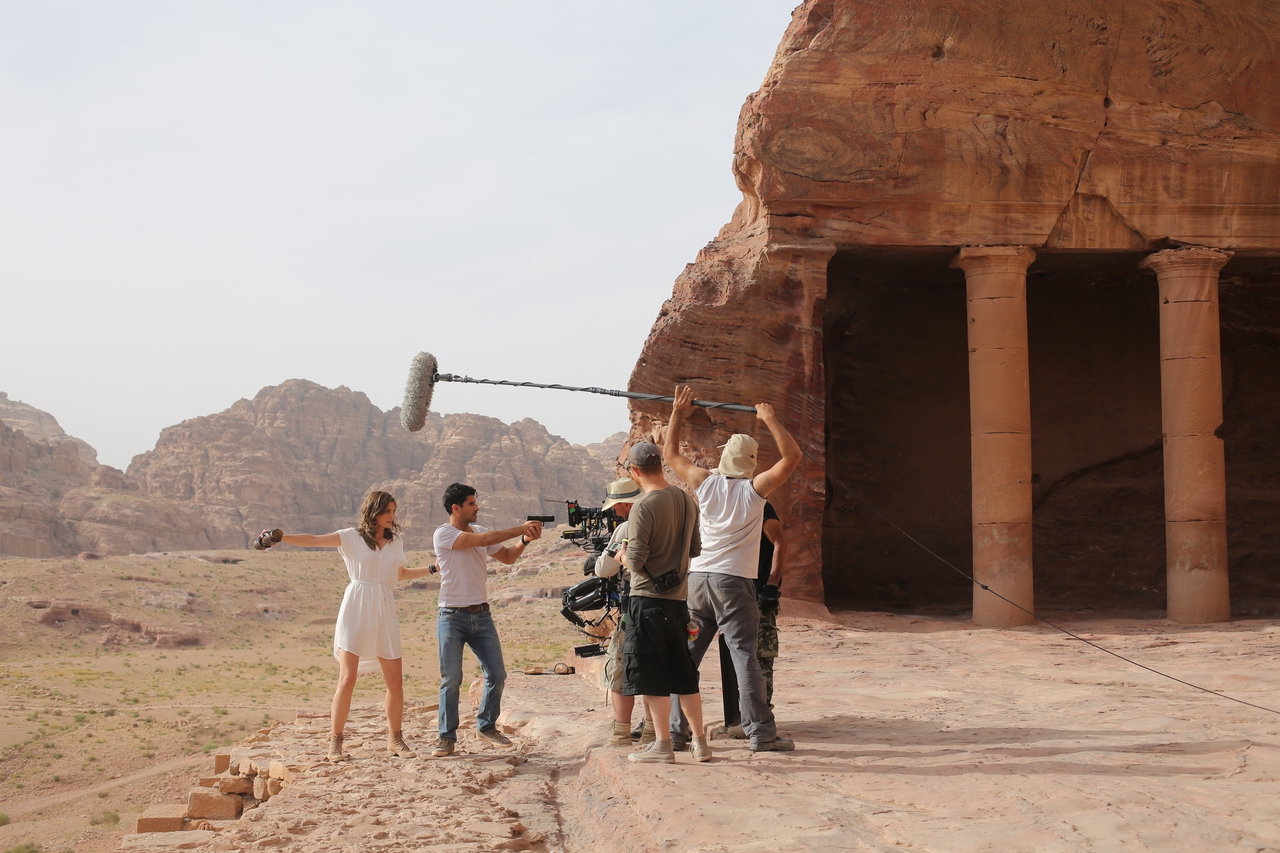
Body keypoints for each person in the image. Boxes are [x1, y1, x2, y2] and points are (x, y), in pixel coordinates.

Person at [664, 385, 801, 752]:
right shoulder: (756, 490)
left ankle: (676, 734)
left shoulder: (704, 483)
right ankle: (761, 734)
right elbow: (792, 456)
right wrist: (770, 419)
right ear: (752, 462)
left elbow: (671, 454)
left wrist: (679, 411)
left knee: (686, 657)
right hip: (733, 586)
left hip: (698, 584)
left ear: (725, 460)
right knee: (745, 657)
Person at [259, 489, 435, 762]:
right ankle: (335, 743)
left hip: (384, 608)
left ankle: (395, 739)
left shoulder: (395, 542)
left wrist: (432, 569)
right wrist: (280, 537)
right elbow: (315, 540)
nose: (392, 516)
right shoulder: (350, 537)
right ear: (373, 511)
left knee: (396, 680)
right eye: (387, 510)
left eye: (393, 511)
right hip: (356, 606)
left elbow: (398, 574)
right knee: (347, 678)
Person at [432, 482, 543, 758]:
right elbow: (481, 542)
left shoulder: (481, 531)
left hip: (481, 615)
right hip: (452, 616)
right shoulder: (444, 533)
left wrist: (525, 540)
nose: (477, 507)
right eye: (471, 503)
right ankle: (446, 737)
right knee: (452, 678)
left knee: (496, 674)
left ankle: (486, 725)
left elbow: (506, 557)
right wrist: (520, 527)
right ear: (456, 508)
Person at [619, 440, 711, 764]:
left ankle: (662, 745)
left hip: (646, 602)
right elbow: (696, 548)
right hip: (678, 603)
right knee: (684, 673)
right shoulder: (687, 500)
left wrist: (622, 555)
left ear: (634, 471)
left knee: (652, 675)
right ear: (661, 465)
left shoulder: (644, 506)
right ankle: (700, 743)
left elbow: (636, 559)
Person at [591, 476, 644, 746]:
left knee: (619, 665)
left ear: (624, 504)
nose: (615, 511)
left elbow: (603, 569)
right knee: (656, 666)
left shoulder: (626, 527)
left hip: (635, 607)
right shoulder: (667, 517)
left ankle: (621, 733)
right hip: (672, 603)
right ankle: (654, 730)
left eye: (616, 507)